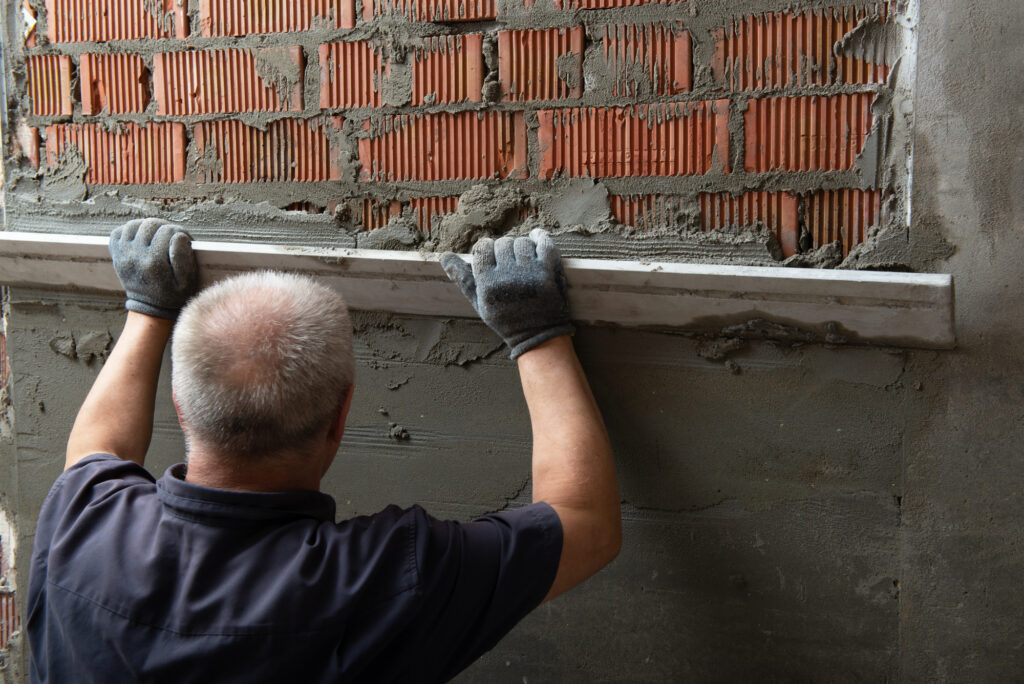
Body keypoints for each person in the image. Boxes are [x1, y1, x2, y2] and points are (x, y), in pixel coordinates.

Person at [26, 218, 620, 683]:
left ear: (181, 409)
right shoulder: (377, 581)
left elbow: (95, 447)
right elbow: (585, 526)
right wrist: (535, 333)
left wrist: (147, 309)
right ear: (341, 417)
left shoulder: (83, 521)